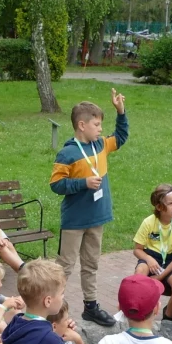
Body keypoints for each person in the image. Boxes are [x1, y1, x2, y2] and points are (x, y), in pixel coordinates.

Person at [50, 90, 128, 327]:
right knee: (65, 265)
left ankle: (91, 306)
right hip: (74, 221)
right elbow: (56, 184)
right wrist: (82, 183)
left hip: (97, 217)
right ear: (81, 125)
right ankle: (52, 306)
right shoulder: (67, 153)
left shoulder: (101, 145)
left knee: (91, 263)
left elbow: (121, 137)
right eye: (96, 124)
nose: (100, 129)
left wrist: (120, 111)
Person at [133, 183, 172, 320]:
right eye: (170, 203)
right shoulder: (149, 222)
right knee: (140, 272)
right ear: (159, 207)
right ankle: (138, 312)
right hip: (152, 256)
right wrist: (148, 259)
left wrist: (159, 277)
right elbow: (137, 250)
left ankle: (167, 318)